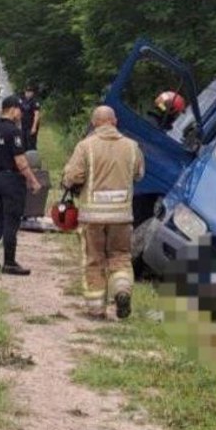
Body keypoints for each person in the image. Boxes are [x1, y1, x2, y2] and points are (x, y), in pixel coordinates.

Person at [64, 105, 146, 320]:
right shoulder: (132, 147)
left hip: (93, 218)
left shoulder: (85, 146)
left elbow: (73, 177)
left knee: (94, 260)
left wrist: (69, 181)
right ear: (115, 121)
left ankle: (96, 309)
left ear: (94, 123)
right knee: (120, 258)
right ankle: (121, 292)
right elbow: (139, 174)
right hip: (122, 217)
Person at [0, 96, 43, 275]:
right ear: (12, 109)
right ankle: (9, 262)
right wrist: (33, 181)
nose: (21, 114)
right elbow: (21, 161)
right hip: (12, 182)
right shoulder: (13, 132)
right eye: (20, 110)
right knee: (12, 221)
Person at [19, 84, 41, 151]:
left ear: (32, 93)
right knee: (23, 142)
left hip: (31, 125)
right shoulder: (22, 100)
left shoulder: (35, 102)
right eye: (26, 91)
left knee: (31, 143)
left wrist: (34, 127)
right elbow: (20, 112)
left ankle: (32, 158)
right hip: (24, 125)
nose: (28, 93)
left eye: (29, 92)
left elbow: (37, 115)